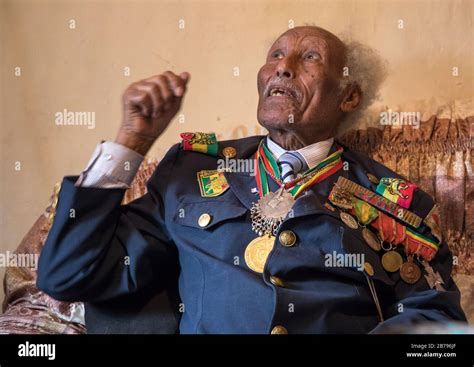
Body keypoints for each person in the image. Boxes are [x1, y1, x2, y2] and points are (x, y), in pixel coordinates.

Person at [37, 26, 466, 334]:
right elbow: (68, 275)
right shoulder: (192, 169)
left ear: (348, 95)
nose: (283, 68)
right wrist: (133, 140)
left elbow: (436, 318)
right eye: (276, 56)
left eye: (309, 58)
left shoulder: (394, 200)